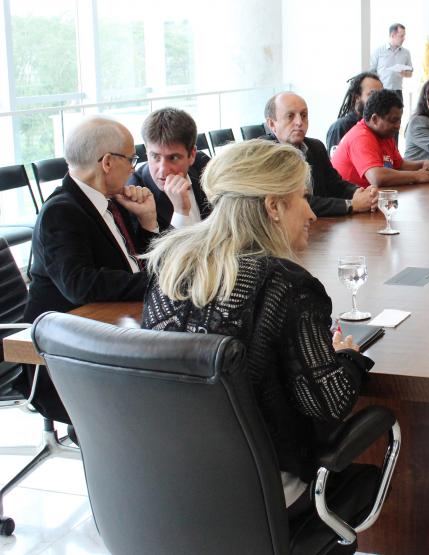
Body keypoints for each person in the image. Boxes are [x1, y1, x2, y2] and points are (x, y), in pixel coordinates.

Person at [141, 140, 374, 516]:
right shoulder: (286, 284)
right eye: (302, 198)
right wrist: (348, 358)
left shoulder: (171, 263)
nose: (311, 213)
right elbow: (328, 402)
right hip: (256, 492)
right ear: (273, 207)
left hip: (163, 484)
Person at [22, 116, 158, 424]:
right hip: (63, 356)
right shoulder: (61, 212)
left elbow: (139, 262)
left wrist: (148, 221)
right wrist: (157, 283)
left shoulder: (113, 201)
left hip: (109, 331)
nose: (133, 168)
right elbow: (80, 284)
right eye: (131, 159)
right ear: (107, 162)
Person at [264, 91, 377, 216]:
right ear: (272, 124)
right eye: (290, 116)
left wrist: (361, 193)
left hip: (321, 223)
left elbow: (335, 184)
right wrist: (351, 204)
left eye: (303, 115)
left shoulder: (316, 146)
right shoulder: (266, 155)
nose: (299, 122)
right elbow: (295, 201)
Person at [331, 89, 429, 188]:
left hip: (372, 195)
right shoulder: (360, 137)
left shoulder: (385, 134)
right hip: (349, 199)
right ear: (375, 119)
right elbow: (377, 178)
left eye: (399, 120)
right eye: (393, 120)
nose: (398, 126)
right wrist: (417, 176)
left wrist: (422, 164)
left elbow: (399, 165)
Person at [129, 107, 211, 230]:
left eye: (173, 158)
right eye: (155, 156)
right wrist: (180, 212)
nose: (163, 170)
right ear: (146, 151)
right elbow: (148, 243)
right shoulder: (135, 191)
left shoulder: (203, 165)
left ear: (192, 155)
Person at [326, 72, 383, 150]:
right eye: (372, 95)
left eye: (381, 95)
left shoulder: (381, 128)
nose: (379, 100)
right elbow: (335, 158)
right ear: (357, 97)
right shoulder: (341, 127)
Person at [369, 23, 412, 103]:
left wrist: (405, 73)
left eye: (404, 35)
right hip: (381, 91)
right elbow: (371, 72)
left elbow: (410, 73)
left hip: (397, 92)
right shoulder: (379, 51)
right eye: (401, 36)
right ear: (392, 35)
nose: (404, 38)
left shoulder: (406, 53)